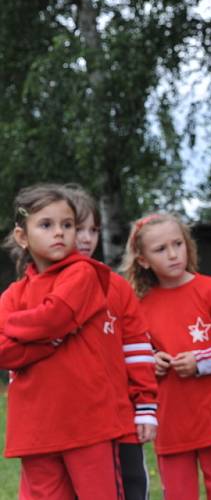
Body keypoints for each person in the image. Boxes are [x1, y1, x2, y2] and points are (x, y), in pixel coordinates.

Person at [0, 184, 131, 499]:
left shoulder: (82, 274)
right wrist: (46, 344)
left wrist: (14, 328)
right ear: (22, 236)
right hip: (35, 429)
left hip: (88, 423)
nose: (59, 233)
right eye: (46, 225)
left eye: (67, 225)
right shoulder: (13, 295)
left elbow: (53, 317)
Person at [122, 213, 211, 500]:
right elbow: (133, 353)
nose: (173, 254)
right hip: (171, 421)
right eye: (160, 249)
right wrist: (152, 361)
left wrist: (199, 362)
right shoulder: (139, 305)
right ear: (143, 260)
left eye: (177, 244)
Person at [64, 184, 159, 500]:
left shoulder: (116, 288)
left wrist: (145, 407)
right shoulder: (35, 290)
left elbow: (137, 348)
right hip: (66, 425)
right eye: (77, 229)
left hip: (120, 421)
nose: (86, 238)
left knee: (131, 488)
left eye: (93, 229)